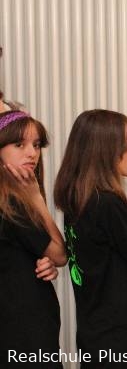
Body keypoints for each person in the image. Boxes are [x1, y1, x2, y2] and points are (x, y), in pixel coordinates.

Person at [54, 109, 127, 367]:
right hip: (123, 339)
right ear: (106, 151)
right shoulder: (107, 203)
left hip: (94, 333)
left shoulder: (79, 197)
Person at [0, 110, 65, 366]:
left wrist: (41, 260)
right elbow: (60, 254)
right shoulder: (10, 202)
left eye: (36, 145)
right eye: (19, 145)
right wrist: (37, 199)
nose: (32, 153)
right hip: (21, 327)